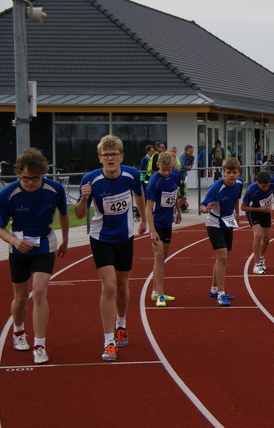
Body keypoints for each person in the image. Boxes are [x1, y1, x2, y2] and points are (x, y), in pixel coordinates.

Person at [75, 134, 147, 362]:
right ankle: (108, 341)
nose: (110, 158)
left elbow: (139, 194)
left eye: (114, 154)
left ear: (121, 156)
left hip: (125, 236)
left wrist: (143, 219)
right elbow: (79, 214)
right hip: (101, 237)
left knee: (123, 286)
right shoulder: (90, 180)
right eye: (106, 155)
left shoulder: (131, 174)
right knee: (109, 287)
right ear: (100, 158)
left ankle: (121, 324)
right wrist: (83, 199)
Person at [0, 147, 69, 365]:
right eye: (26, 178)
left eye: (35, 178)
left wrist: (65, 240)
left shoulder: (54, 189)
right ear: (19, 174)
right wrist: (15, 241)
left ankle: (39, 344)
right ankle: (18, 332)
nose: (30, 182)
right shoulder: (7, 194)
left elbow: (64, 214)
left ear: (43, 174)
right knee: (20, 297)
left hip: (44, 245)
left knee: (38, 293)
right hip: (18, 246)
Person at [199, 157, 243, 306]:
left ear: (239, 172)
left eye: (234, 172)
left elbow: (237, 198)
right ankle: (221, 294)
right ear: (224, 172)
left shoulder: (239, 183)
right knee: (223, 257)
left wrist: (237, 213)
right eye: (228, 172)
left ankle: (214, 289)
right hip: (214, 222)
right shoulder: (216, 187)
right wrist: (205, 209)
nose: (231, 175)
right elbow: (202, 205)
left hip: (228, 221)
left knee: (223, 258)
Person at [145, 152, 182, 307]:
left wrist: (178, 210)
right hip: (157, 222)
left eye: (169, 169)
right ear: (158, 165)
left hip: (168, 222)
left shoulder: (175, 176)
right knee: (159, 256)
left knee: (163, 256)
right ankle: (160, 294)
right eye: (164, 169)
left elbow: (174, 195)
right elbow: (148, 208)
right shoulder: (154, 181)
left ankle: (155, 290)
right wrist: (152, 230)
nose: (166, 172)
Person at [241, 170, 274, 275]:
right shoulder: (252, 190)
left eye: (267, 186)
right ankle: (256, 265)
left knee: (266, 238)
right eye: (263, 186)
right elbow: (243, 207)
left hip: (265, 211)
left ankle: (261, 258)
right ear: (258, 183)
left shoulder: (273, 182)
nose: (265, 188)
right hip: (253, 212)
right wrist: (260, 209)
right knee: (258, 235)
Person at [178, 144, 195, 211]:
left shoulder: (192, 157)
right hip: (179, 175)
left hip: (184, 175)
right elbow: (181, 165)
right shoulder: (182, 156)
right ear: (186, 151)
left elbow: (190, 166)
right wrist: (186, 167)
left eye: (192, 150)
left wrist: (188, 167)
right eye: (190, 151)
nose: (191, 152)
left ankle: (182, 206)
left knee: (183, 192)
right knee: (179, 192)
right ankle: (180, 206)